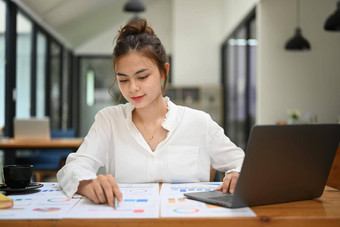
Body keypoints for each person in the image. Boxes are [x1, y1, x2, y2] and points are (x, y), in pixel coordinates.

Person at [57, 18, 244, 207]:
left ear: (164, 71)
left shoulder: (199, 122)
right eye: (123, 80)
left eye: (142, 77)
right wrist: (89, 184)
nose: (133, 88)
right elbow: (73, 168)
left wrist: (237, 174)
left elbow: (245, 163)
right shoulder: (109, 120)